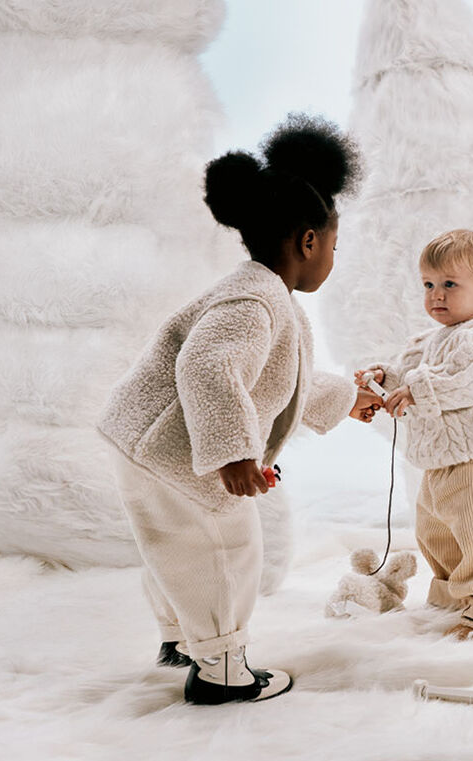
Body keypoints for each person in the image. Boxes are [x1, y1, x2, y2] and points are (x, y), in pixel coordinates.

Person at [97, 114, 383, 704]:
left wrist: (347, 398)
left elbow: (281, 379)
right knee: (227, 550)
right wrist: (232, 453)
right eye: (334, 244)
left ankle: (182, 641)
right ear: (309, 242)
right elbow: (206, 367)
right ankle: (222, 671)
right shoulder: (255, 302)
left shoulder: (262, 294)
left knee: (173, 549)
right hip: (177, 453)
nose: (332, 256)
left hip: (143, 443)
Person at [357, 229, 473, 641]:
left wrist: (416, 388)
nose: (437, 295)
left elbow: (466, 379)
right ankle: (454, 598)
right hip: (438, 465)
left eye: (450, 284)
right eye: (429, 285)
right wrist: (385, 378)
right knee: (438, 535)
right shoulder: (427, 341)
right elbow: (411, 373)